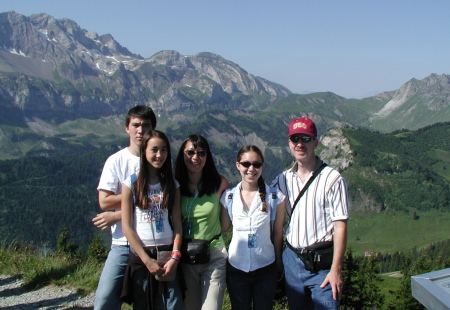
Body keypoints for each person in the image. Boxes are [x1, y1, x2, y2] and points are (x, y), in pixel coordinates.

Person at [271, 117, 349, 310]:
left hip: (322, 266)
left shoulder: (333, 179)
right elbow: (258, 195)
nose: (300, 144)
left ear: (316, 142)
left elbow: (340, 226)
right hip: (292, 260)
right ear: (289, 143)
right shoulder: (282, 179)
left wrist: (336, 270)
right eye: (295, 139)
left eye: (305, 139)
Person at [93, 105, 157, 310]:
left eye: (145, 126)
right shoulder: (116, 161)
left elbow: (161, 200)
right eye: (135, 125)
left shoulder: (159, 159)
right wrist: (135, 199)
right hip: (122, 243)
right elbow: (104, 201)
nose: (140, 130)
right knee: (104, 300)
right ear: (126, 128)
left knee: (145, 301)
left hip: (151, 242)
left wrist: (118, 214)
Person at [120, 130, 184, 310]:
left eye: (164, 150)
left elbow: (177, 222)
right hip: (142, 255)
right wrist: (146, 260)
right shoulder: (130, 184)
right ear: (144, 152)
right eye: (154, 150)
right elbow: (127, 227)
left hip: (167, 253)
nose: (159, 155)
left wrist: (175, 255)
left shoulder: (172, 184)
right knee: (144, 304)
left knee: (173, 304)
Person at [220, 145, 285, 310]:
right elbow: (223, 228)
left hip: (265, 267)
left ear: (262, 166)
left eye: (256, 164)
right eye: (246, 164)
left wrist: (278, 262)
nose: (251, 169)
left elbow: (278, 233)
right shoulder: (228, 197)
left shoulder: (275, 197)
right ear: (238, 165)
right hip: (236, 267)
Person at [174, 135, 231, 310]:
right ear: (182, 155)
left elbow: (225, 226)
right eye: (190, 152)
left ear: (207, 156)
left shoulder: (220, 184)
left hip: (213, 254)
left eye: (201, 153)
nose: (195, 158)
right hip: (185, 258)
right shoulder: (174, 185)